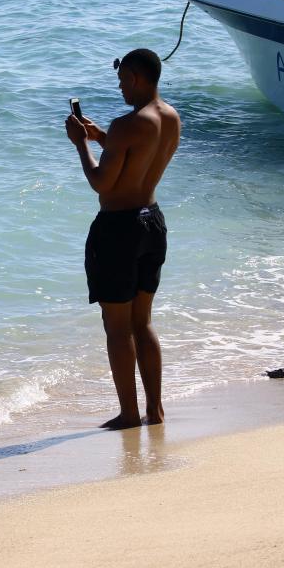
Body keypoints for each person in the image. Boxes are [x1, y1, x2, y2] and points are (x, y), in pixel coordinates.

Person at [65, 49, 180, 430]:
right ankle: (155, 411)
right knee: (142, 323)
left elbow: (102, 182)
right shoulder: (169, 118)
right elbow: (136, 162)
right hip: (152, 223)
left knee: (116, 326)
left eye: (121, 80)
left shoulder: (127, 124)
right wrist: (101, 138)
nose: (119, 88)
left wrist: (80, 143)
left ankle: (129, 414)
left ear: (134, 77)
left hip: (119, 229)